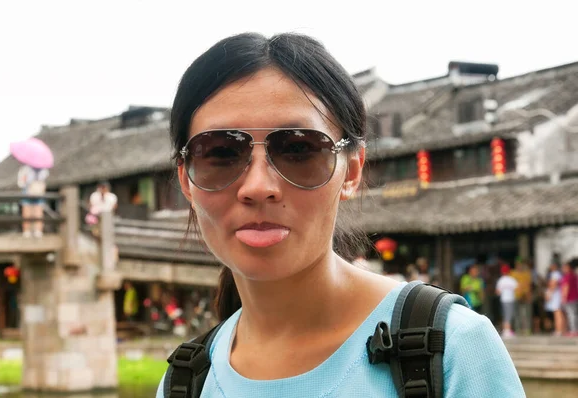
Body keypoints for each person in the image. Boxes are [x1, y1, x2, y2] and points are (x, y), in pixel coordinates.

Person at [156, 32, 524, 397]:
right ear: (185, 181)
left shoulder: (453, 349)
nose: (257, 186)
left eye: (299, 149)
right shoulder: (185, 383)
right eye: (219, 154)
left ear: (351, 171)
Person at [17, 165, 49, 238]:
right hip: (33, 191)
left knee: (34, 211)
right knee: (32, 211)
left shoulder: (26, 169)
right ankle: (32, 231)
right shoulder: (42, 169)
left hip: (33, 191)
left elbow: (21, 183)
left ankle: (32, 231)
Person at [496, 264, 519, 338]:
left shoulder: (501, 280)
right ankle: (507, 331)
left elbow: (498, 291)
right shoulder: (511, 279)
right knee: (509, 314)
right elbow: (517, 288)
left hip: (504, 299)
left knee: (506, 314)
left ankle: (507, 330)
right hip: (511, 299)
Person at [544, 262, 565, 336]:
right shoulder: (558, 274)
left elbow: (553, 285)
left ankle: (558, 330)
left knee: (557, 313)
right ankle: (562, 329)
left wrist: (549, 294)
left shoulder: (555, 274)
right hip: (557, 295)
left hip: (556, 296)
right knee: (560, 313)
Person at [560, 259, 578, 336]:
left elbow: (566, 287)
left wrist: (564, 298)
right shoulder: (574, 275)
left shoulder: (568, 276)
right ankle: (573, 330)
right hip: (574, 297)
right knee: (573, 314)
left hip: (570, 298)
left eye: (564, 267)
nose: (563, 269)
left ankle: (573, 331)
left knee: (571, 315)